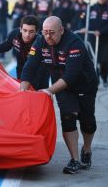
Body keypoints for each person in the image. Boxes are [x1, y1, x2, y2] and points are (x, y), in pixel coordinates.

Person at [20, 16, 98, 174]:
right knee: (68, 117)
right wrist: (22, 91)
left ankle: (87, 149)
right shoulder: (40, 42)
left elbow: (71, 75)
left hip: (84, 84)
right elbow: (30, 66)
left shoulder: (75, 43)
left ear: (61, 30)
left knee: (87, 121)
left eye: (52, 33)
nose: (48, 36)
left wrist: (49, 91)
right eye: (45, 32)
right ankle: (75, 159)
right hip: (62, 87)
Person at [0, 15, 49, 90]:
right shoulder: (14, 35)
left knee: (37, 95)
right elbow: (6, 45)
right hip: (21, 69)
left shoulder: (40, 42)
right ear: (20, 29)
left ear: (37, 31)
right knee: (22, 94)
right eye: (25, 30)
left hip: (39, 72)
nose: (27, 35)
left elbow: (35, 65)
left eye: (31, 31)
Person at [80, 0, 108, 88]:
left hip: (106, 39)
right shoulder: (90, 8)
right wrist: (84, 27)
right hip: (92, 38)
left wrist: (101, 32)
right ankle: (95, 80)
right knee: (93, 61)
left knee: (104, 61)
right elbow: (82, 19)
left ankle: (104, 77)